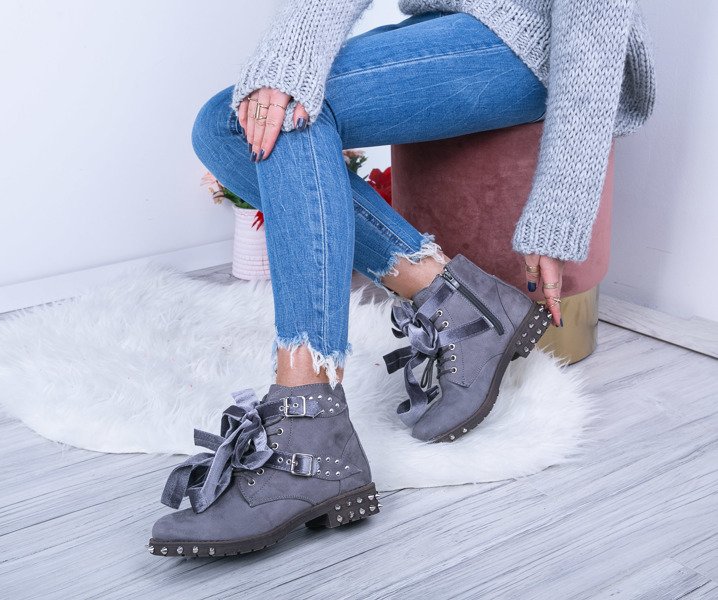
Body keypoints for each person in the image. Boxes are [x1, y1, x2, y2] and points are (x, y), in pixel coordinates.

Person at [148, 0, 656, 558]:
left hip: (536, 40)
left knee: (277, 112)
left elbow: (595, 19)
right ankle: (459, 304)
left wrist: (560, 212)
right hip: (454, 26)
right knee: (228, 124)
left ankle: (308, 420)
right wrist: (287, 58)